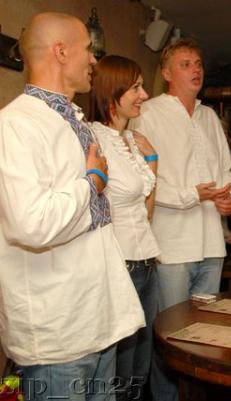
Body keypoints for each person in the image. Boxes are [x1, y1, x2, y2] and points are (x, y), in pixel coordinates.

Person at [0, 12, 144, 400]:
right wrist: (91, 182)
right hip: (58, 335)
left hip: (97, 323)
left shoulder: (72, 119)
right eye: (88, 50)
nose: (94, 60)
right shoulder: (15, 125)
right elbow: (31, 224)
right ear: (61, 52)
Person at [129, 37, 231, 401]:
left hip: (212, 244)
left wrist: (230, 197)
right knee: (173, 335)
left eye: (199, 64)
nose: (195, 70)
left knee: (206, 332)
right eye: (186, 64)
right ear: (166, 73)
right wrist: (193, 195)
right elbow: (144, 181)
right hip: (172, 245)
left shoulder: (209, 116)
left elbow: (225, 170)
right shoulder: (148, 114)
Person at [91, 55, 160, 401]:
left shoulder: (132, 140)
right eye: (135, 87)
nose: (144, 95)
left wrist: (153, 161)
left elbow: (145, 211)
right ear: (111, 91)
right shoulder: (94, 138)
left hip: (146, 260)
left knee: (139, 370)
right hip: (119, 265)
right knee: (120, 373)